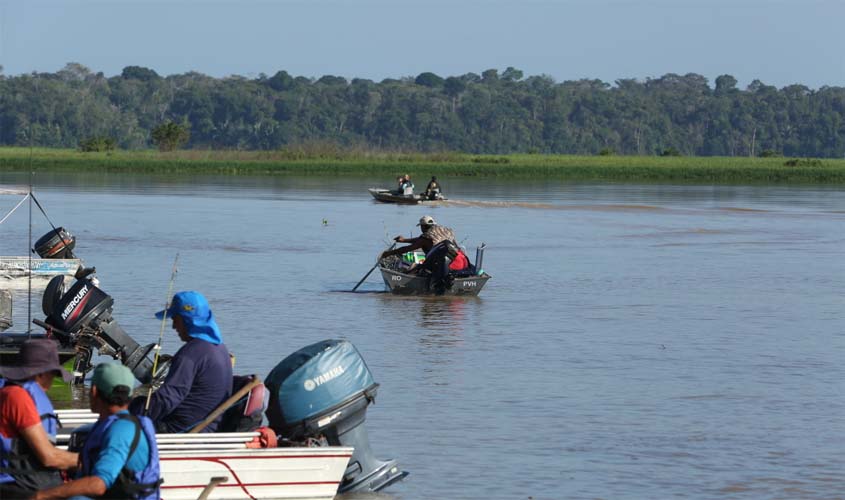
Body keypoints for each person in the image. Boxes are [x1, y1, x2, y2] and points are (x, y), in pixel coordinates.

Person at [32, 363, 161, 500]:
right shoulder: (110, 424)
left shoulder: (121, 430)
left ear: (93, 391)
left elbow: (98, 485)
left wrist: (41, 495)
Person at [129, 291, 233, 433]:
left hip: (183, 431)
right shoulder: (220, 348)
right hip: (210, 426)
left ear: (187, 320)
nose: (173, 327)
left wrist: (131, 417)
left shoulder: (190, 355)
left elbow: (167, 399)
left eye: (175, 320)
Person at [0, 339, 78, 499]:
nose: (51, 382)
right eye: (53, 374)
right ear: (41, 373)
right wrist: (86, 459)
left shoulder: (9, 391)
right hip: (17, 487)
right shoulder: (18, 397)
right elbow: (49, 457)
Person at [380, 215, 468, 292]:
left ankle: (406, 277)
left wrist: (389, 253)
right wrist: (404, 240)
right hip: (461, 262)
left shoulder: (426, 237)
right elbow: (420, 241)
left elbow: (407, 249)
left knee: (413, 262)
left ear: (423, 227)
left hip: (445, 266)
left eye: (421, 227)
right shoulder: (446, 231)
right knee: (419, 258)